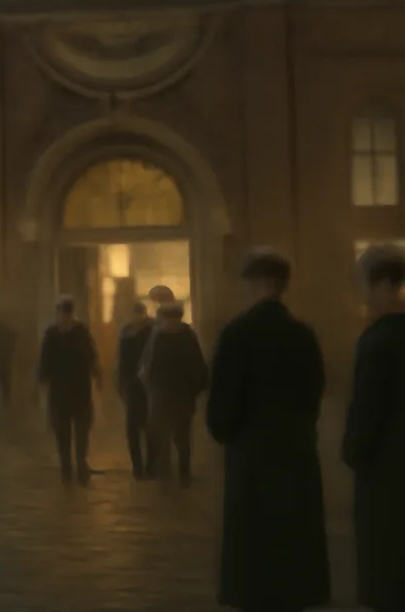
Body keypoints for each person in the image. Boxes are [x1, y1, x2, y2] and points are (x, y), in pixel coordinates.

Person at [206, 248, 330, 612]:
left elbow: (222, 404)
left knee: (253, 541)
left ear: (253, 284)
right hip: (295, 449)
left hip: (251, 453)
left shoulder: (237, 334)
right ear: (282, 286)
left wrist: (225, 431)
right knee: (294, 533)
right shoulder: (303, 335)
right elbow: (315, 390)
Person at [342, 244, 405, 612]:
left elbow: (366, 411)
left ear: (381, 284)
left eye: (363, 284)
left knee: (385, 569)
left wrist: (353, 453)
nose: (361, 294)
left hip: (385, 471)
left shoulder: (378, 339)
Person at [139, 300, 208, 487]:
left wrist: (192, 389)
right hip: (165, 395)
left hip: (177, 396)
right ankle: (168, 473)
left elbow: (198, 368)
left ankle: (182, 473)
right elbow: (147, 366)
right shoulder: (161, 336)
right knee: (166, 436)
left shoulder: (182, 336)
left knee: (181, 437)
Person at [38, 295, 101, 486]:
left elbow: (90, 355)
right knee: (63, 431)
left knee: (80, 430)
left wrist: (96, 374)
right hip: (63, 391)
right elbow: (45, 360)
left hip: (77, 389)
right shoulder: (55, 334)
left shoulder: (77, 332)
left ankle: (79, 463)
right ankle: (68, 466)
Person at [117, 301, 155, 479]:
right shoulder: (125, 333)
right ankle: (138, 466)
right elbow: (122, 362)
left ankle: (151, 465)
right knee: (133, 428)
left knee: (149, 427)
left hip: (148, 384)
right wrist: (121, 384)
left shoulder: (152, 331)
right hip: (133, 385)